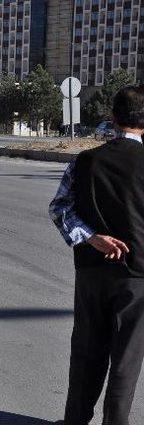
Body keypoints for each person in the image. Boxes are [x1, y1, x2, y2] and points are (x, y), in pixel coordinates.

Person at [49, 85, 144, 424]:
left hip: (91, 272)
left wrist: (91, 238)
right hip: (136, 278)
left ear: (113, 117)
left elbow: (59, 209)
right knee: (125, 362)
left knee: (87, 352)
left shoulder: (85, 161)